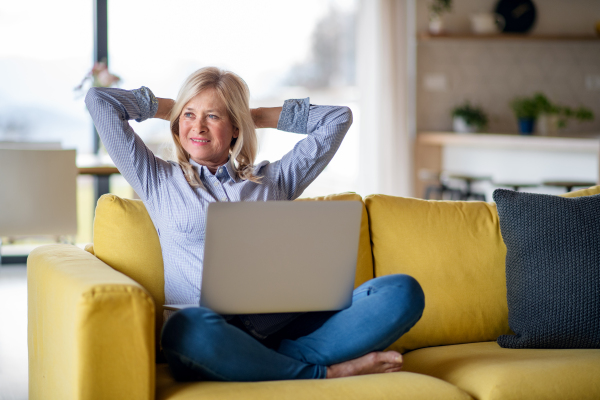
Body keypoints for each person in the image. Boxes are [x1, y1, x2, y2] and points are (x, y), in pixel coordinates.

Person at [85, 66, 425, 382]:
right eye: (189, 116)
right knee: (187, 330)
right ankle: (324, 373)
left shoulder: (273, 180)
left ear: (235, 128)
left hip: (283, 322)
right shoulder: (157, 178)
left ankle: (271, 362)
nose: (197, 126)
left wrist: (254, 117)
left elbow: (338, 118)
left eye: (213, 116)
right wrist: (171, 108)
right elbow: (99, 101)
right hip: (207, 327)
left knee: (402, 292)